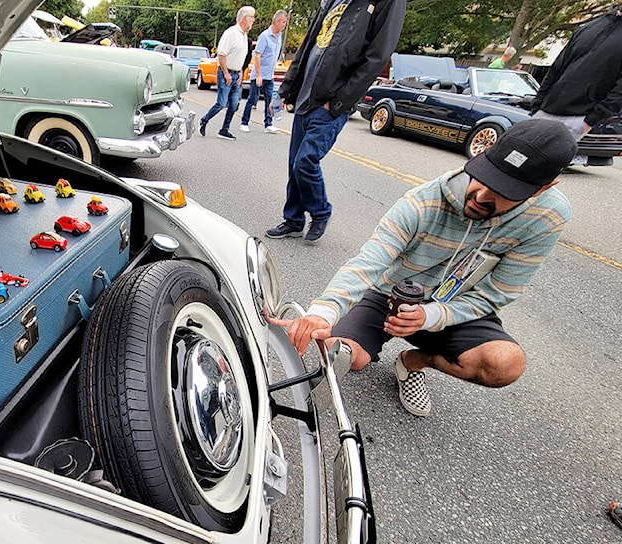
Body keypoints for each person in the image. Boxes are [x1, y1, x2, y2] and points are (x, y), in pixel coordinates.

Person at [269, 120, 577, 417]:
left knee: (505, 364)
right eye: (486, 174)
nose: (482, 195)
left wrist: (431, 316)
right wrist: (323, 312)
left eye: (505, 191)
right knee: (342, 352)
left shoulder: (548, 216)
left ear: (542, 189)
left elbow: (498, 292)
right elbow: (368, 262)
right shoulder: (423, 202)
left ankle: (413, 362)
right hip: (387, 294)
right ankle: (353, 350)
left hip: (453, 304)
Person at [266, 0, 406, 242]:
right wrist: (286, 87)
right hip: (305, 97)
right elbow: (308, 45)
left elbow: (378, 57)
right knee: (294, 165)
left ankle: (320, 212)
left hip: (330, 101)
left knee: (305, 161)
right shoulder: (331, 1)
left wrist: (341, 101)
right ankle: (294, 220)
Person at [530, 3, 622, 165]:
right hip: (544, 111)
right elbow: (556, 68)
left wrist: (592, 119)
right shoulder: (590, 26)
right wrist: (537, 105)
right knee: (514, 164)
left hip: (578, 118)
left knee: (539, 171)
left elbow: (620, 91)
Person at [198, 6, 256, 140]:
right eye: (252, 17)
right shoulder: (231, 33)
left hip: (236, 74)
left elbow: (240, 56)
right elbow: (222, 54)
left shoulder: (244, 35)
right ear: (245, 18)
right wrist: (226, 73)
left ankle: (224, 130)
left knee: (235, 104)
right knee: (221, 103)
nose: (253, 20)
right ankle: (204, 120)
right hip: (226, 73)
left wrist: (241, 71)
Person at [239, 10, 288, 134]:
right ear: (276, 21)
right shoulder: (265, 36)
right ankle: (244, 122)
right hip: (259, 75)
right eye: (283, 22)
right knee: (252, 99)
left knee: (269, 100)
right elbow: (258, 56)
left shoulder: (280, 36)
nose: (284, 25)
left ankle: (268, 124)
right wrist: (259, 75)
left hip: (270, 75)